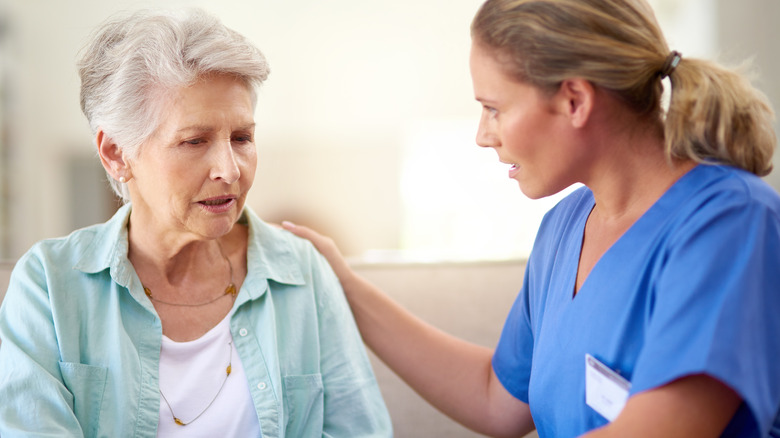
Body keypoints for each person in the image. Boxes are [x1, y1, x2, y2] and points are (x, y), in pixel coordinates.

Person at [284, 0, 780, 436]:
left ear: (574, 100)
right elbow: (496, 399)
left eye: (493, 108)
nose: (483, 135)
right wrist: (343, 287)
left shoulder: (730, 222)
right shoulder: (565, 226)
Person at [0, 9, 391, 437]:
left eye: (242, 138)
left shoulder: (302, 272)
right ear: (115, 153)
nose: (230, 169)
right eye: (194, 141)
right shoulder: (50, 285)